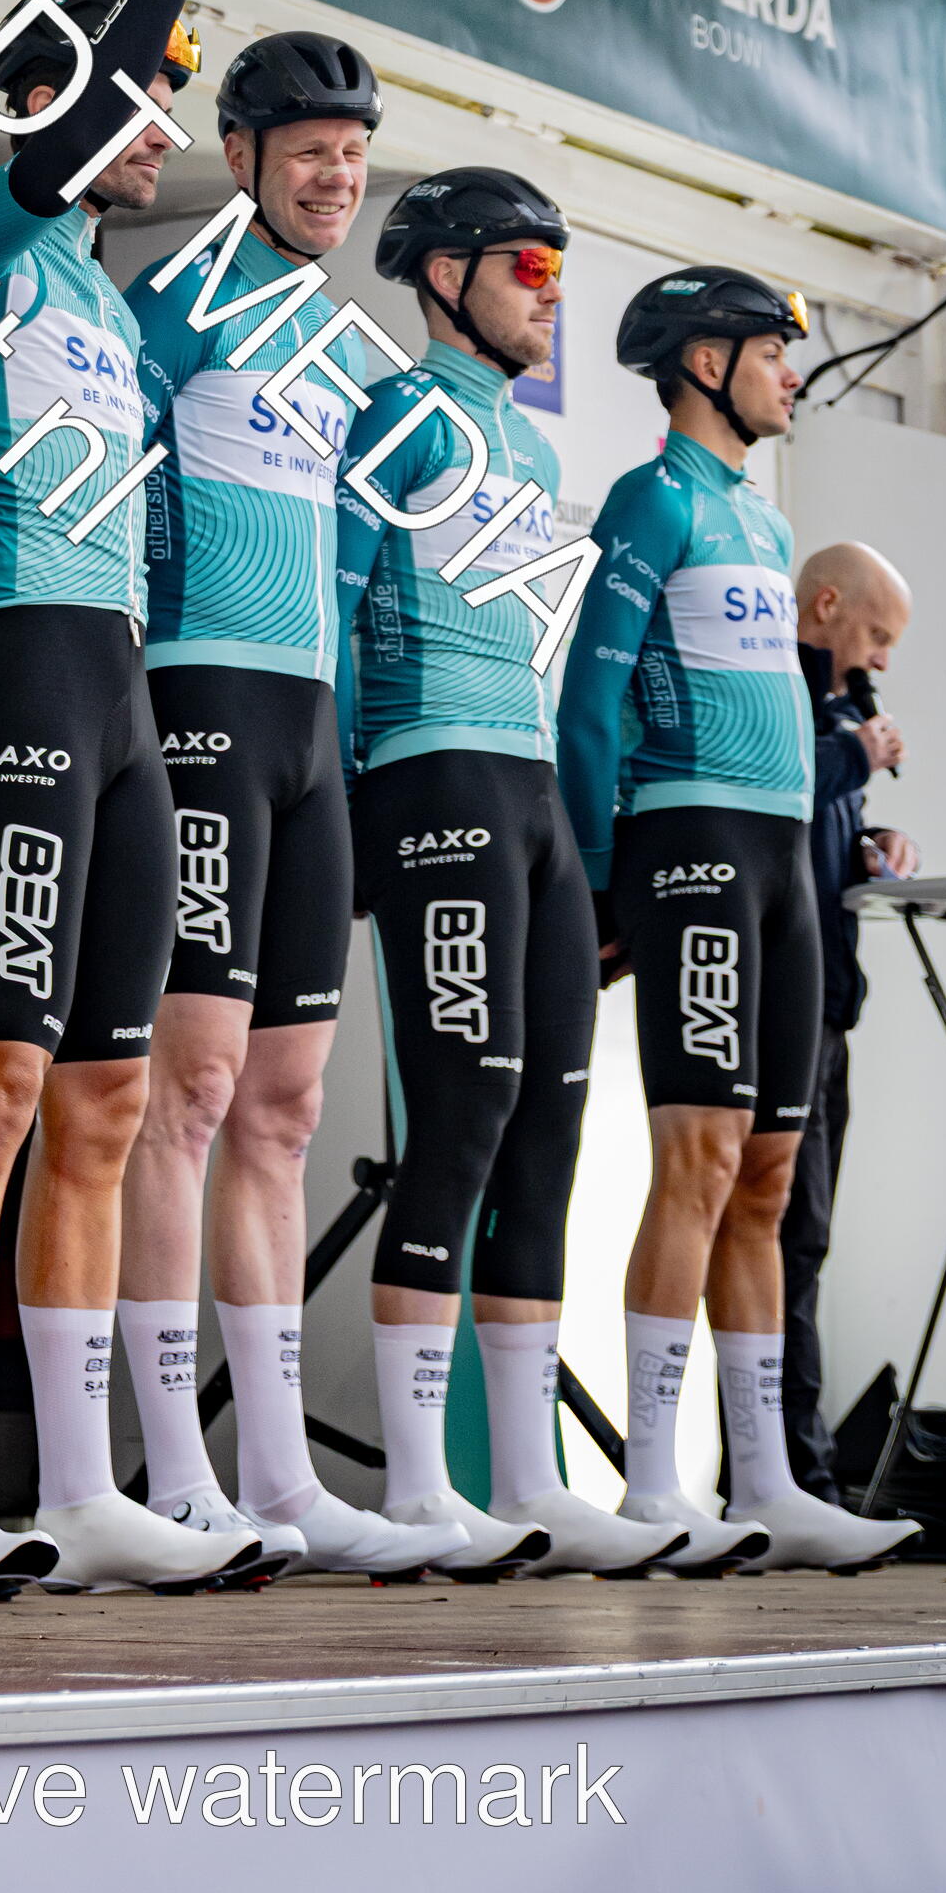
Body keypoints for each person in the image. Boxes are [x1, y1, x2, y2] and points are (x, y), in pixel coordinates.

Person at [0, 0, 259, 1598]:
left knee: (105, 1104)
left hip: (114, 688)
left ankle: (80, 1479)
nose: (156, 132)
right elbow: (105, 104)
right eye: (131, 103)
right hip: (15, 657)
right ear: (57, 107)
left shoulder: (108, 313)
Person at [116, 33, 424, 1577]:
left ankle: (281, 1475)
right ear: (238, 156)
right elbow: (99, 511)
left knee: (287, 1110)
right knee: (184, 1093)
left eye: (352, 156)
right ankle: (173, 1471)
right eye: (308, 151)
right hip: (196, 710)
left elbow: (355, 581)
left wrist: (354, 759)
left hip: (308, 738)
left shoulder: (343, 345)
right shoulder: (170, 306)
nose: (334, 177)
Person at [561, 271, 915, 1572]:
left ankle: (766, 1477)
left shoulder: (763, 522)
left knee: (767, 1175)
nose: (789, 375)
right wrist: (601, 876)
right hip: (690, 845)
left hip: (780, 864)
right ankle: (655, 1481)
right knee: (699, 1164)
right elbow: (588, 703)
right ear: (704, 362)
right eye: (771, 352)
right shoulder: (650, 500)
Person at [342, 170, 645, 1578]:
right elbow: (336, 603)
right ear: (444, 276)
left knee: (547, 1136)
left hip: (528, 796)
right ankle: (418, 1485)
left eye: (558, 267)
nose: (551, 291)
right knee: (460, 1114)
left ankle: (529, 1475)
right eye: (528, 265)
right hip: (433, 775)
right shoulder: (398, 412)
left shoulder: (521, 444)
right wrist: (340, 792)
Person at [784, 541, 920, 1494]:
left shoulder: (838, 718)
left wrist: (876, 840)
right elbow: (771, 790)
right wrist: (853, 757)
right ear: (827, 605)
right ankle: (795, 1473)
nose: (882, 659)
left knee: (808, 1235)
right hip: (780, 1003)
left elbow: (820, 825)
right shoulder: (779, 695)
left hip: (831, 1004)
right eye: (876, 633)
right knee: (781, 1235)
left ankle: (798, 1468)